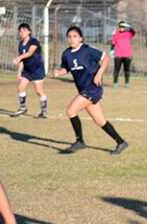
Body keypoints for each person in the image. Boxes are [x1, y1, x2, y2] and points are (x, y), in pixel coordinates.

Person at [52, 26, 129, 155]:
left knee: (71, 111)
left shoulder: (87, 50)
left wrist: (99, 74)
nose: (71, 39)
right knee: (100, 121)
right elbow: (67, 68)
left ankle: (80, 141)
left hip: (93, 88)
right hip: (83, 89)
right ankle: (121, 142)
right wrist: (59, 72)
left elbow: (105, 58)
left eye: (75, 36)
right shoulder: (66, 54)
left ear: (81, 38)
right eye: (69, 37)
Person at [11, 23, 48, 118]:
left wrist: (20, 57)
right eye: (20, 31)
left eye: (24, 30)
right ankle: (23, 108)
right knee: (20, 87)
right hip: (27, 71)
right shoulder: (20, 44)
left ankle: (44, 112)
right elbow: (22, 60)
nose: (22, 32)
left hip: (37, 70)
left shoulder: (34, 42)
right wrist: (19, 71)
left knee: (39, 91)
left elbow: (30, 53)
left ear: (29, 32)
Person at [110, 21, 135, 89]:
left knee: (126, 70)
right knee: (116, 70)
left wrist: (128, 26)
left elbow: (133, 32)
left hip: (127, 54)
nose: (122, 28)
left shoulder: (128, 34)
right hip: (118, 55)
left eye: (123, 27)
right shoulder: (116, 34)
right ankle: (115, 83)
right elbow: (113, 44)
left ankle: (127, 83)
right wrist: (111, 51)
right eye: (120, 27)